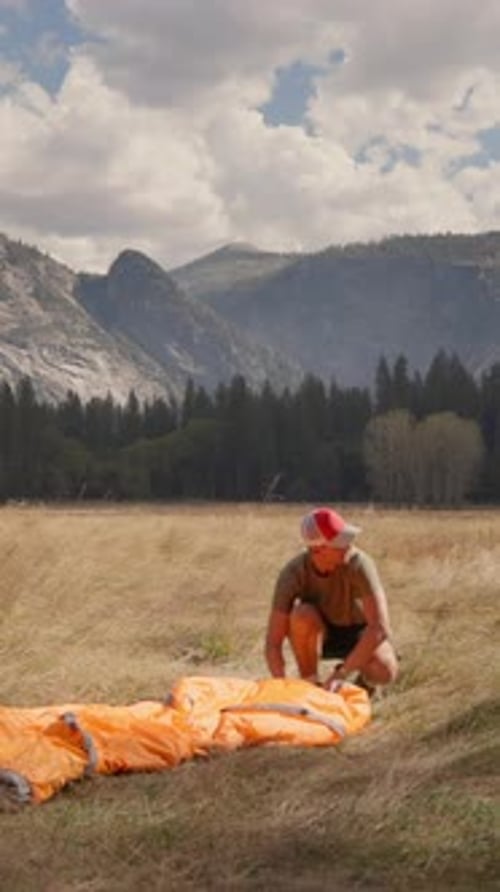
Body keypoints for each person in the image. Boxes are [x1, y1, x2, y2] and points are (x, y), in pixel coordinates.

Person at [264, 507, 399, 692]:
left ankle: (362, 686)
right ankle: (310, 685)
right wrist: (281, 686)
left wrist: (341, 674)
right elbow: (273, 642)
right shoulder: (293, 573)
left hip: (357, 632)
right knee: (301, 615)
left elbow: (380, 628)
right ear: (317, 550)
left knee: (385, 670)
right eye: (340, 542)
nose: (349, 546)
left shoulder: (360, 564)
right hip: (320, 633)